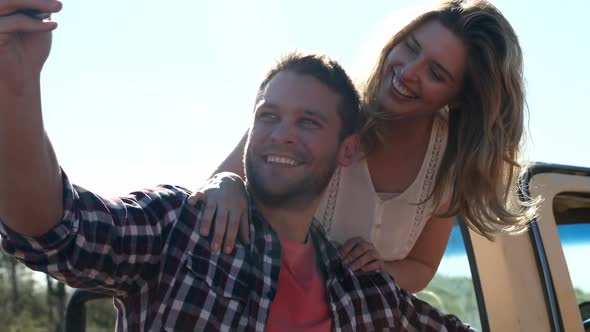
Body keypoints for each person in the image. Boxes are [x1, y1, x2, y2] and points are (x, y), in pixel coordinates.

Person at [0, 2, 475, 329]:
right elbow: (57, 228)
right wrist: (16, 83)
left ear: (347, 150)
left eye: (309, 121)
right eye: (268, 116)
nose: (282, 133)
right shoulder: (182, 230)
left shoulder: (363, 293)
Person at [190, 0, 538, 293]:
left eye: (436, 73)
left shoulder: (451, 161)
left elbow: (422, 265)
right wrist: (228, 184)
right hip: (252, 296)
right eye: (411, 47)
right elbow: (221, 181)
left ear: (461, 97)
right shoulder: (329, 105)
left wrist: (380, 268)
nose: (408, 71)